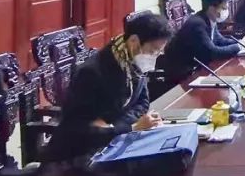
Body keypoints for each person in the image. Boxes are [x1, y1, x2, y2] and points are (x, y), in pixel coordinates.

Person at [40, 11, 172, 163]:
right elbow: (78, 130)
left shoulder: (133, 64)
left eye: (158, 53)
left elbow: (142, 103)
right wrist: (131, 128)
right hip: (79, 154)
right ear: (134, 41)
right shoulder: (92, 72)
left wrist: (115, 126)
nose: (154, 59)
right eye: (152, 52)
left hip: (114, 140)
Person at [150, 0, 245, 99]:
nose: (226, 11)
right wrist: (239, 46)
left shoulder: (208, 19)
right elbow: (212, 52)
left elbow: (219, 40)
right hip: (183, 76)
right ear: (211, 8)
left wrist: (242, 42)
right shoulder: (197, 24)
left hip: (198, 68)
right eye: (223, 8)